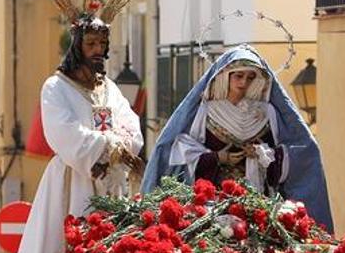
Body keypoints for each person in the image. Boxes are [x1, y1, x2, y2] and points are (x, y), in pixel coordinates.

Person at [0, 0, 142, 253]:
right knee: (58, 252)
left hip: (114, 184)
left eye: (102, 43)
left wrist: (118, 145)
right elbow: (64, 135)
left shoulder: (110, 88)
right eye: (90, 42)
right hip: (73, 181)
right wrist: (111, 146)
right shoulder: (55, 87)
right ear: (76, 44)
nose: (97, 50)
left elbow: (134, 130)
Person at [142, 45, 333, 229]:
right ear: (226, 76)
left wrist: (261, 154)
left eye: (250, 77)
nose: (244, 83)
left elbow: (295, 153)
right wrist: (217, 158)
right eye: (239, 76)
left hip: (257, 200)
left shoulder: (266, 113)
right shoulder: (207, 112)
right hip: (213, 203)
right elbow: (184, 150)